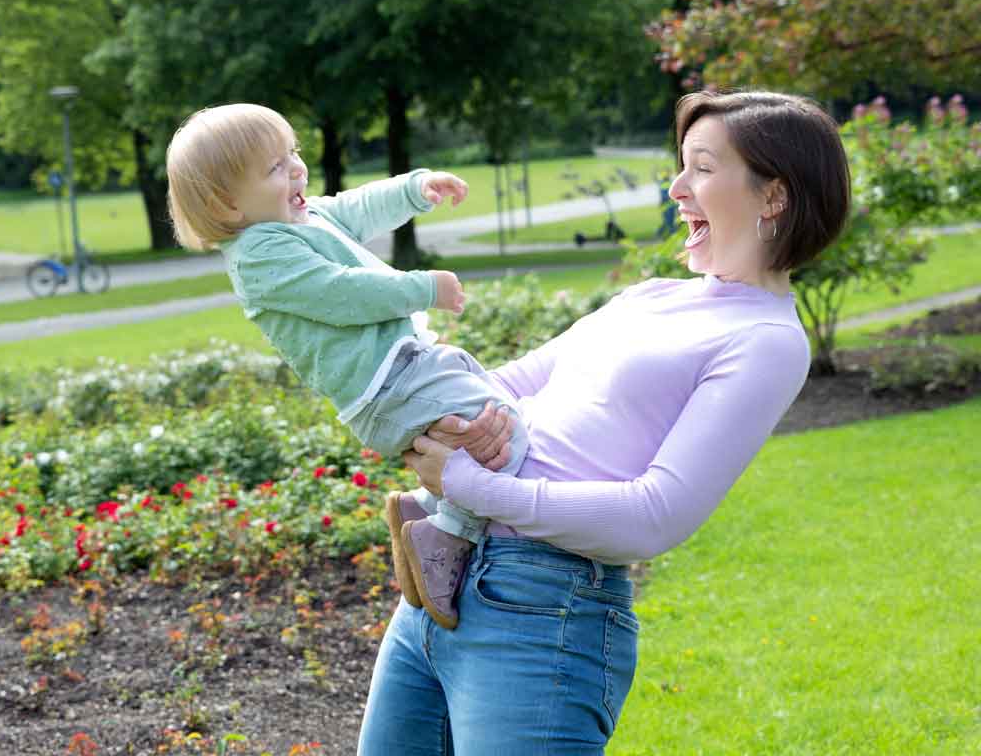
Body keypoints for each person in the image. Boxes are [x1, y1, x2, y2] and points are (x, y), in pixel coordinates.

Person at [357, 89, 851, 755]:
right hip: (437, 584)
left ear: (774, 196)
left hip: (544, 611)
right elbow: (505, 385)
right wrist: (439, 419)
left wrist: (468, 482)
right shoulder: (649, 298)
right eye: (681, 165)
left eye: (703, 169)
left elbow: (655, 514)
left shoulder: (767, 340)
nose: (677, 188)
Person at [164, 103, 530, 628]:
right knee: (502, 434)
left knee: (487, 405)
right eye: (274, 167)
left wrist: (415, 189)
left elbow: (357, 207)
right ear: (227, 202)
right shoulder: (259, 255)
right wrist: (422, 287)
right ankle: (447, 534)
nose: (296, 169)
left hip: (405, 370)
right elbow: (340, 294)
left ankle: (421, 508)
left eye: (293, 153)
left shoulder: (300, 219)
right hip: (385, 388)